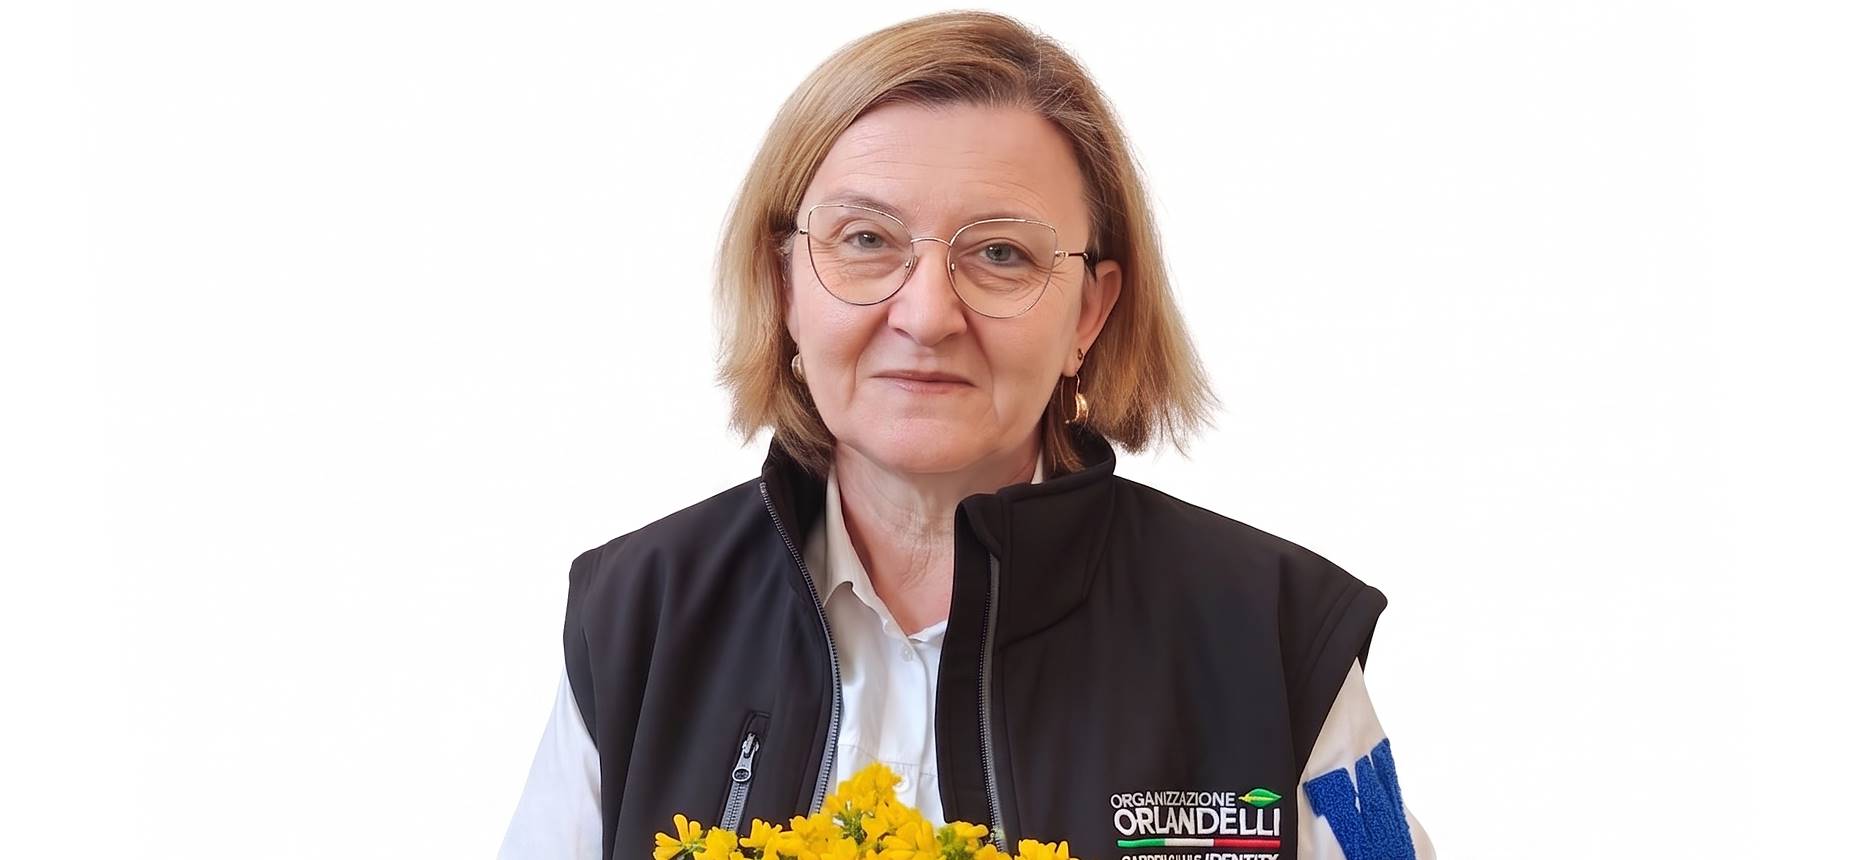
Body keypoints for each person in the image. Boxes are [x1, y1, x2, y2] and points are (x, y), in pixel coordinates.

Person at [500, 11, 1433, 860]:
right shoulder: (639, 617)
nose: (926, 315)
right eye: (866, 240)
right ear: (785, 285)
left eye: (1000, 254)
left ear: (1089, 313)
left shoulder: (1275, 636)